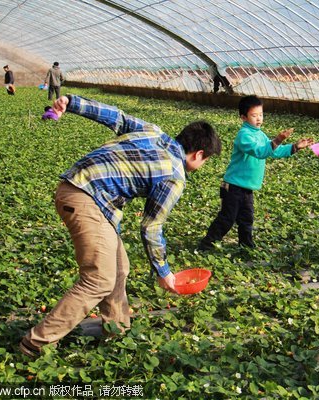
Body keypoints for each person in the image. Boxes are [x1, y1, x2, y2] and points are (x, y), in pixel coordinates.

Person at [19, 94, 222, 358]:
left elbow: (118, 117)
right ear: (199, 154)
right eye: (205, 162)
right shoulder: (174, 175)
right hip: (88, 199)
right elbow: (151, 227)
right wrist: (165, 273)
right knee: (98, 279)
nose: (201, 166)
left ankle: (118, 331)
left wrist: (74, 103)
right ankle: (36, 343)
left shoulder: (154, 131)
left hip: (74, 186)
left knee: (118, 268)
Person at [198, 95, 313, 250]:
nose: (259, 119)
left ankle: (246, 247)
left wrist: (295, 147)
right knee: (227, 218)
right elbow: (259, 151)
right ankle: (206, 245)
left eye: (261, 114)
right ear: (243, 117)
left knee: (246, 219)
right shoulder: (244, 135)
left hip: (247, 188)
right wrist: (277, 140)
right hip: (233, 186)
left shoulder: (260, 134)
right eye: (254, 115)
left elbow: (273, 152)